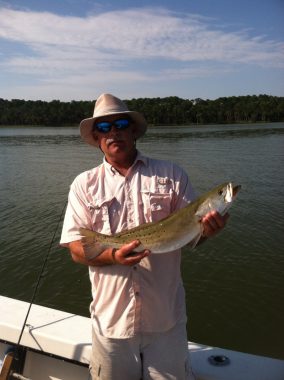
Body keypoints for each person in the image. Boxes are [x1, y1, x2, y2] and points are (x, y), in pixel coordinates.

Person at [60, 93, 228, 380]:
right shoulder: (83, 185)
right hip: (110, 325)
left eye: (121, 123)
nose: (113, 132)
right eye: (104, 127)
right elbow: (77, 250)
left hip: (166, 323)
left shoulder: (172, 175)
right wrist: (113, 255)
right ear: (97, 138)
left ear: (134, 130)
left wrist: (207, 231)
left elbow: (189, 236)